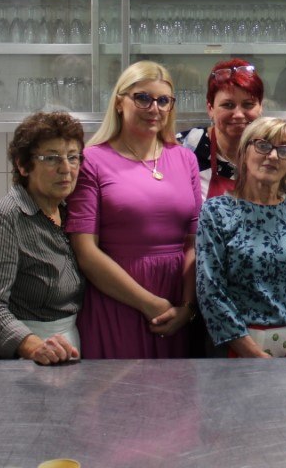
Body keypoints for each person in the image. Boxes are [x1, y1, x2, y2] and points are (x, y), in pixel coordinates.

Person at [65, 61, 201, 359]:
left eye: (163, 100)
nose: (154, 108)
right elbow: (85, 251)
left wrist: (187, 307)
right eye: (142, 98)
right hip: (118, 302)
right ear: (119, 102)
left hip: (176, 306)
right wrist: (149, 303)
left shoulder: (185, 159)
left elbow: (192, 243)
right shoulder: (92, 160)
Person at [196, 118, 286, 358]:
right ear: (244, 153)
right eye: (263, 145)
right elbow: (210, 290)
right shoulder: (216, 212)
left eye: (284, 150)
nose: (273, 156)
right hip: (236, 349)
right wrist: (252, 353)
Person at [0, 111, 86, 364]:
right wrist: (32, 346)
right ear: (23, 165)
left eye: (73, 157)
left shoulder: (69, 213)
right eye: (51, 158)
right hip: (28, 357)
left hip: (68, 348)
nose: (66, 169)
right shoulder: (7, 217)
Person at [179, 59, 264, 202]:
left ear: (261, 107)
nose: (238, 114)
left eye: (248, 104)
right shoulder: (185, 148)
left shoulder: (272, 152)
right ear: (210, 108)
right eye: (228, 105)